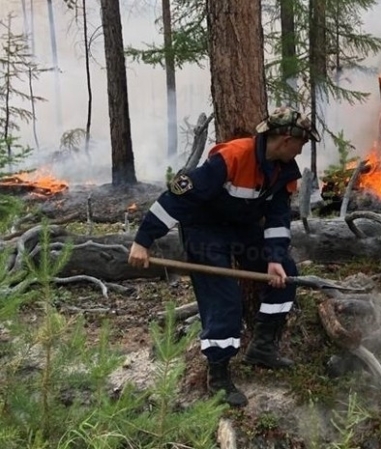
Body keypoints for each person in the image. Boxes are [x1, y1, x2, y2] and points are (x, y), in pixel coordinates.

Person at [128, 107, 321, 407]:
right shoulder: (231, 157)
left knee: (287, 272)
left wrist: (274, 258)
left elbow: (278, 218)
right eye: (301, 143)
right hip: (204, 231)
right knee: (224, 297)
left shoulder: (284, 171)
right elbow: (178, 197)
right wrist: (143, 241)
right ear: (285, 140)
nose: (302, 149)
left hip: (240, 230)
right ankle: (217, 374)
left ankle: (262, 347)